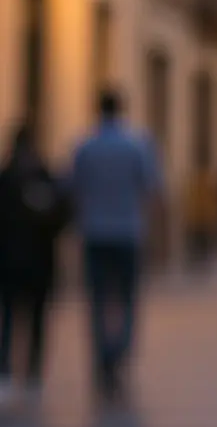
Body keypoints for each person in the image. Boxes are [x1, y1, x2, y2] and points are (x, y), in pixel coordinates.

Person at [72, 90, 161, 401]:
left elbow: (71, 186)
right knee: (127, 299)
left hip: (94, 233)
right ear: (122, 109)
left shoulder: (84, 146)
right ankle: (119, 353)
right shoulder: (137, 145)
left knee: (97, 300)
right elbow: (152, 188)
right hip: (128, 233)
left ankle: (102, 358)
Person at [0, 127, 69, 405]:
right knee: (36, 319)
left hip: (9, 262)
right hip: (39, 262)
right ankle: (32, 373)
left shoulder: (5, 178)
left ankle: (7, 370)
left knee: (9, 318)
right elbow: (61, 216)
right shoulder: (44, 176)